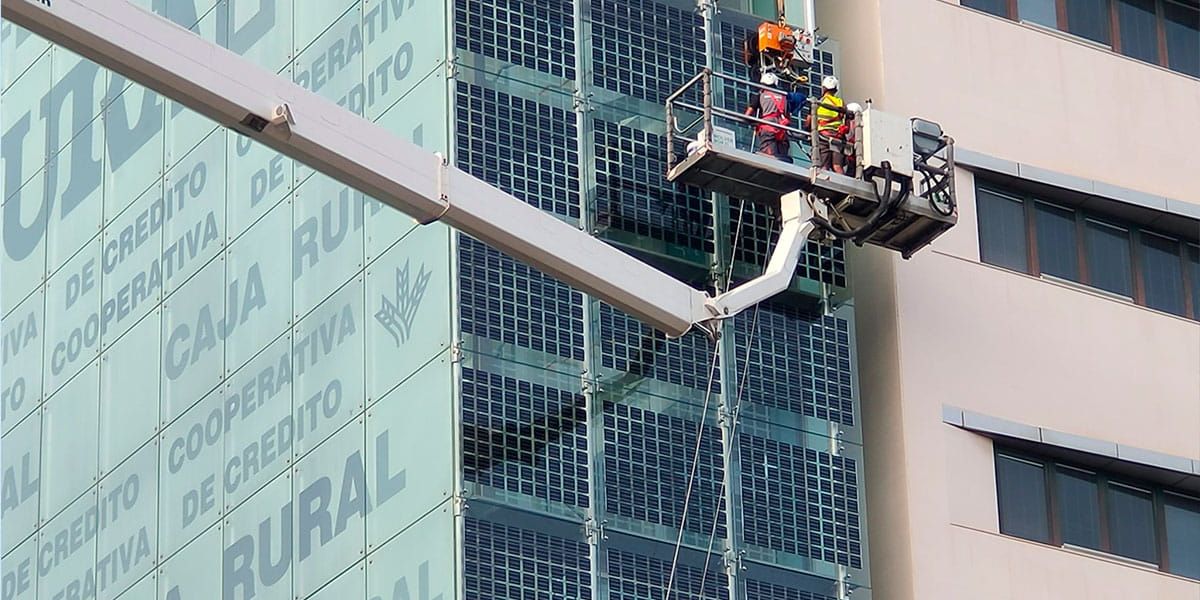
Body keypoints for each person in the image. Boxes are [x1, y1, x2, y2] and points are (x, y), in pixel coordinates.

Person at [744, 72, 803, 163]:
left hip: (768, 127)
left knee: (768, 157)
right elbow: (799, 100)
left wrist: (756, 123)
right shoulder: (784, 96)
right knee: (782, 157)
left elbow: (747, 115)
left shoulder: (760, 95)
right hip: (782, 128)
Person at [810, 76, 846, 174]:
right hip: (837, 136)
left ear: (824, 88)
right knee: (837, 165)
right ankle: (842, 184)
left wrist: (807, 129)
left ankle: (823, 182)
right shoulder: (841, 102)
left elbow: (809, 120)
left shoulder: (819, 102)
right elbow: (843, 116)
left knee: (824, 165)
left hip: (823, 136)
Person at [840, 102, 863, 176]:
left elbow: (852, 135)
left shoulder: (856, 123)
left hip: (853, 154)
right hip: (851, 154)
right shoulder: (856, 122)